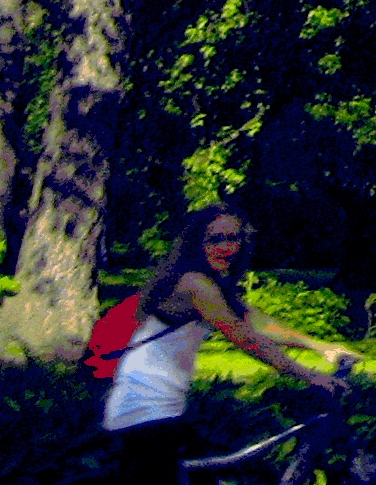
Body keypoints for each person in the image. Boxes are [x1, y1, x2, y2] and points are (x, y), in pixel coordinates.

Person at [102, 205, 358, 485]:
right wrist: (309, 376)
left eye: (233, 238)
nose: (227, 247)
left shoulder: (211, 282)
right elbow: (244, 336)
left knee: (216, 473)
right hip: (144, 411)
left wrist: (320, 346)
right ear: (196, 244)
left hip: (165, 409)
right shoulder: (194, 284)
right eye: (215, 239)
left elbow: (254, 320)